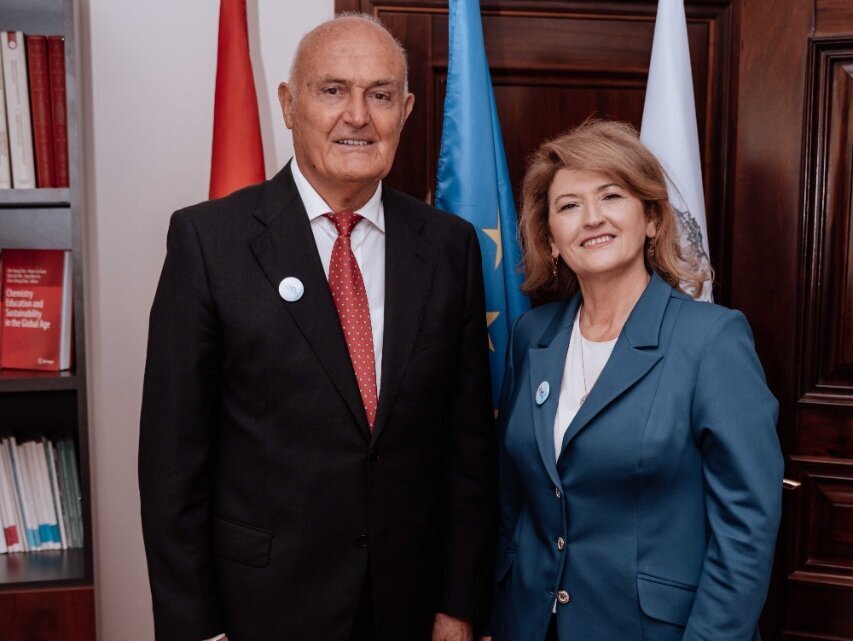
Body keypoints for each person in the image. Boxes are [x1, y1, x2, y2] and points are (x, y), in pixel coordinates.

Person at [139, 14, 495, 641]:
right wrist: (197, 629)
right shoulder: (209, 242)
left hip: (410, 609)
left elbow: (467, 450)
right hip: (262, 609)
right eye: (333, 90)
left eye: (380, 94)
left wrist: (459, 606)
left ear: (406, 111)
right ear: (288, 105)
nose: (358, 116)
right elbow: (172, 464)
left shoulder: (449, 246)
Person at [489, 119, 783, 641]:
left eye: (611, 196)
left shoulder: (711, 340)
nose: (592, 218)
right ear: (551, 239)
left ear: (650, 219)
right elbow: (514, 499)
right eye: (569, 205)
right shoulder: (531, 336)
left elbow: (747, 529)